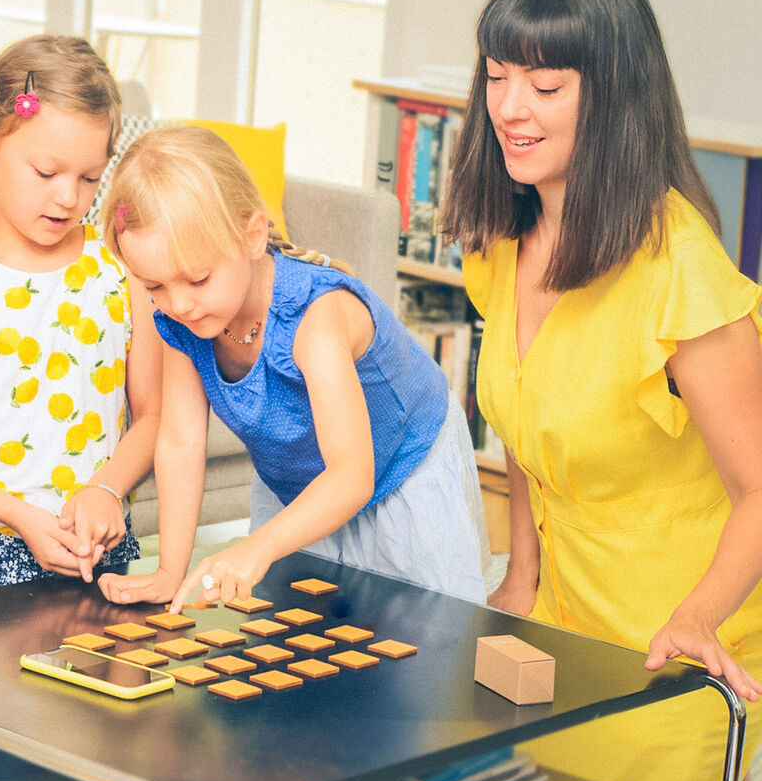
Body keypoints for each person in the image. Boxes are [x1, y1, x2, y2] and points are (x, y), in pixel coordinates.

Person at [438, 0, 762, 781]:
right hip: (558, 613)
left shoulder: (682, 273)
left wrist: (697, 618)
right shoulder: (499, 242)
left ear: (612, 97)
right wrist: (521, 575)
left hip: (673, 639)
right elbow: (525, 422)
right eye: (498, 78)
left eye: (545, 85)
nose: (510, 108)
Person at [97, 124, 489, 613]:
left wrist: (253, 548)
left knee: (421, 646)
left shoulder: (314, 317)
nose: (178, 303)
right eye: (154, 286)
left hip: (398, 473)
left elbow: (352, 476)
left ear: (253, 235)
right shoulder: (179, 321)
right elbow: (179, 442)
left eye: (197, 278)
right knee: (299, 638)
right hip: (300, 487)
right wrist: (169, 573)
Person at [0, 35, 161, 596]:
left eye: (90, 179)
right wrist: (21, 517)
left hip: (102, 546)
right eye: (46, 173)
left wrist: (106, 491)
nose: (69, 198)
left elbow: (155, 414)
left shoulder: (120, 265)